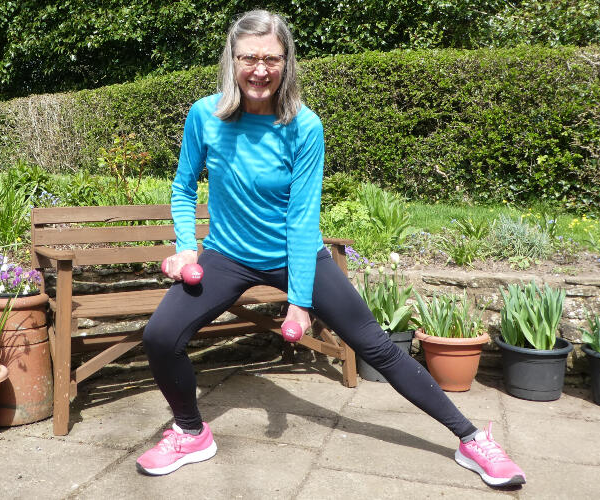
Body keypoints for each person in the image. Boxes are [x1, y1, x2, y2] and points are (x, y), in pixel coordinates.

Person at [136, 9, 526, 488]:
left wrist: (299, 304)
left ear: (287, 62)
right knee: (160, 335)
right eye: (249, 58)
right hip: (227, 255)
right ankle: (191, 431)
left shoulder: (304, 126)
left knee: (376, 346)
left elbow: (301, 223)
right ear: (231, 60)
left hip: (293, 252)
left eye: (271, 58)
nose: (260, 69)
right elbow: (181, 188)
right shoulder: (205, 116)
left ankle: (471, 439)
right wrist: (187, 248)